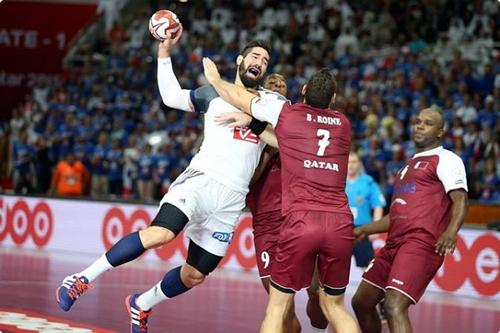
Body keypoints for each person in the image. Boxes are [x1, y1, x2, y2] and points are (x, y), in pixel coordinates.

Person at [56, 25, 280, 333]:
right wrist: (164, 53)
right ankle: (81, 278)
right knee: (161, 234)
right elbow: (172, 96)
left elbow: (283, 140)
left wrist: (251, 122)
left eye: (265, 60)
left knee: (195, 275)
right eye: (255, 55)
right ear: (240, 60)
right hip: (201, 181)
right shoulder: (214, 93)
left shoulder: (267, 105)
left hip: (231, 201)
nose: (260, 61)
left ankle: (141, 304)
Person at [203, 59, 358, 333]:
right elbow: (289, 142)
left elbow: (241, 97)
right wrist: (253, 125)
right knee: (335, 307)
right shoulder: (343, 125)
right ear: (333, 98)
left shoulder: (289, 113)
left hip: (301, 220)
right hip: (340, 222)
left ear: (304, 90)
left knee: (277, 306)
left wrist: (215, 81)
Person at [351, 106, 469, 333]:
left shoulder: (447, 159)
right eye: (417, 121)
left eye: (428, 123)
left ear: (440, 132)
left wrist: (451, 231)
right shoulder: (408, 165)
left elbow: (461, 199)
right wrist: (363, 229)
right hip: (393, 244)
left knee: (394, 305)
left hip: (421, 243)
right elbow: (396, 215)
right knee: (361, 302)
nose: (420, 126)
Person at [248, 73, 328, 333]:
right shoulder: (249, 131)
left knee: (318, 298)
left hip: (301, 219)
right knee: (281, 308)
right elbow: (247, 181)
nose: (278, 86)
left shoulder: (299, 126)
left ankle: (318, 313)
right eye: (272, 83)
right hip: (267, 225)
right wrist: (272, 148)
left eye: (283, 84)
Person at [346, 151, 385, 269]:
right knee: (331, 263)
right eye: (348, 162)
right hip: (340, 228)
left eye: (354, 162)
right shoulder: (337, 182)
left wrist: (375, 228)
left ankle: (372, 287)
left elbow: (378, 206)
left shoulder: (368, 182)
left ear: (359, 164)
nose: (351, 165)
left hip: (362, 229)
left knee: (367, 266)